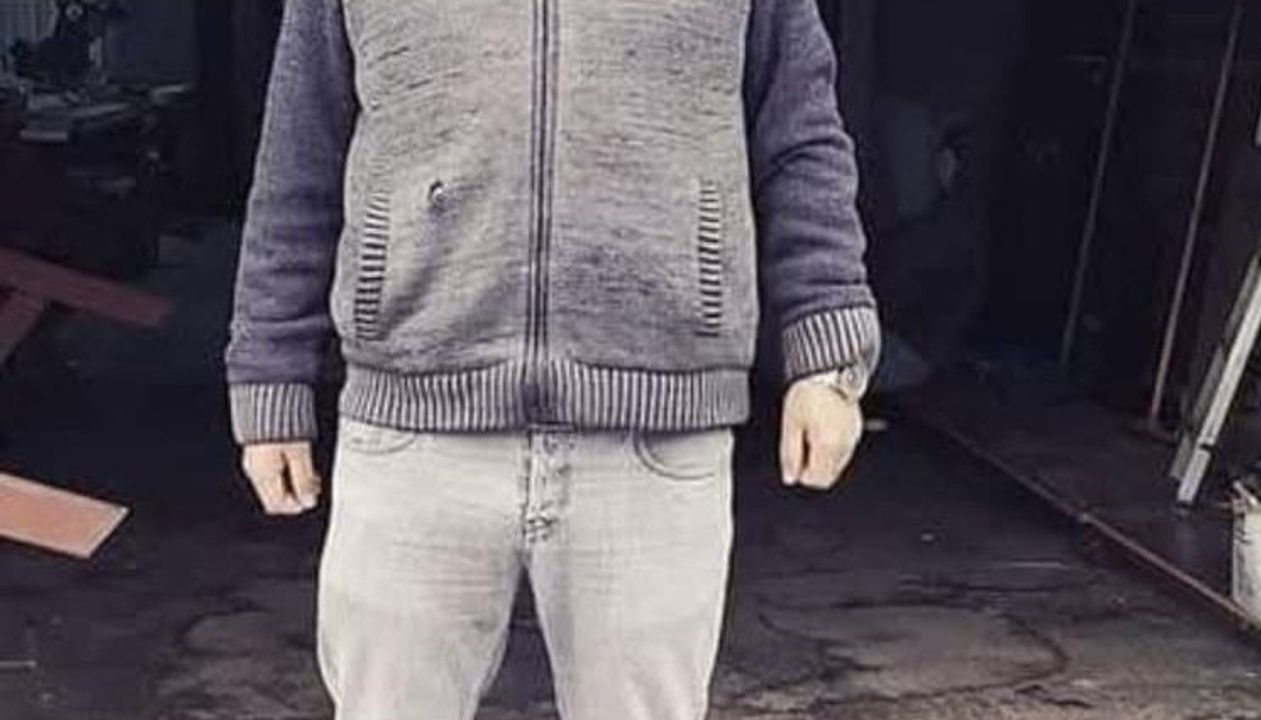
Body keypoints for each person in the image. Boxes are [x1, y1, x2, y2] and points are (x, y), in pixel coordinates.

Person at [224, 0, 881, 718]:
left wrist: (825, 352)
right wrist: (269, 369)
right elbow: (297, 154)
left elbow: (800, 138)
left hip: (654, 435)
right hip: (412, 432)